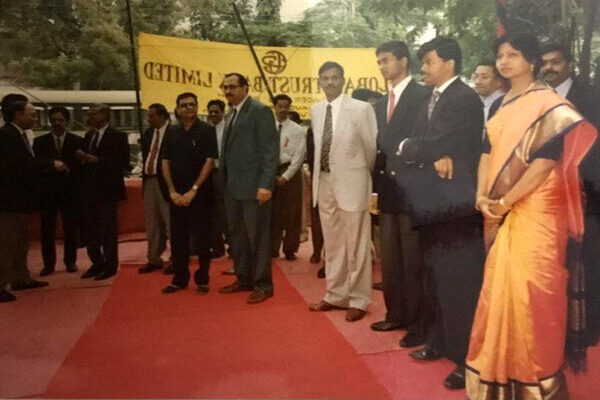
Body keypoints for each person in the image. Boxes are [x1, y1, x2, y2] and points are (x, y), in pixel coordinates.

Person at [466, 33, 597, 400]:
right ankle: (499, 376)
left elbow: (544, 164)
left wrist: (506, 200)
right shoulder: (496, 105)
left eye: (513, 55)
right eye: (500, 56)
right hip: (499, 206)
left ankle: (538, 383)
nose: (504, 61)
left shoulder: (550, 104)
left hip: (539, 207)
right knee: (497, 292)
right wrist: (481, 194)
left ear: (532, 61)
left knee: (535, 294)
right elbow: (486, 154)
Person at [395, 36, 485, 389]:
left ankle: (467, 361)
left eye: (429, 61)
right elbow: (423, 142)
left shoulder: (464, 98)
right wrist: (426, 150)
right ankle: (439, 342)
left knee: (460, 285)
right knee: (434, 279)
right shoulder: (431, 99)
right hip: (432, 206)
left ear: (449, 62)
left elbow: (431, 143)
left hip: (456, 210)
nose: (424, 68)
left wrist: (415, 149)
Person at [308, 61, 377, 322]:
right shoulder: (316, 111)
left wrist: (358, 173)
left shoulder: (361, 109)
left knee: (357, 243)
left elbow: (370, 148)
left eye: (335, 77)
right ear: (319, 82)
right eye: (325, 78)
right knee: (333, 242)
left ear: (343, 80)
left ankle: (359, 299)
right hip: (324, 181)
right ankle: (335, 294)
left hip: (353, 182)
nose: (330, 83)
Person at [369, 41, 430, 338]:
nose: (382, 66)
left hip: (415, 190)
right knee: (391, 260)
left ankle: (419, 324)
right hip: (389, 190)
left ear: (404, 61)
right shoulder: (381, 103)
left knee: (414, 261)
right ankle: (396, 314)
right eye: (378, 61)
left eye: (386, 60)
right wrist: (376, 192)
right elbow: (380, 153)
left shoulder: (424, 95)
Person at [541, 42, 600, 344]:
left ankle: (587, 326)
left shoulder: (589, 95)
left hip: (584, 189)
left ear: (570, 63)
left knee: (586, 257)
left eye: (556, 62)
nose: (550, 67)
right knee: (555, 258)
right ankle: (558, 322)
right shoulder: (539, 97)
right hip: (545, 190)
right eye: (546, 62)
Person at [0, 94, 68, 302]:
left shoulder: (19, 134)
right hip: (9, 200)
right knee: (7, 243)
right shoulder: (7, 136)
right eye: (32, 115)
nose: (35, 119)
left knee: (21, 242)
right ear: (17, 114)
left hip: (20, 200)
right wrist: (51, 164)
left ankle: (21, 277)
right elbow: (21, 164)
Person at [218, 73, 279, 304]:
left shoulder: (259, 111)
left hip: (255, 189)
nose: (228, 91)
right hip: (233, 189)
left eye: (233, 87)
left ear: (245, 87)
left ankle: (263, 285)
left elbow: (270, 152)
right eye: (225, 87)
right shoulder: (231, 113)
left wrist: (266, 185)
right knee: (238, 238)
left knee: (259, 239)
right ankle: (243, 279)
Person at [160, 92, 217, 294]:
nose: (188, 108)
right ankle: (179, 278)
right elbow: (165, 162)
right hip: (176, 195)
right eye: (184, 105)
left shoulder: (207, 130)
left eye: (192, 104)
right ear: (177, 109)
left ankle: (202, 278)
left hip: (199, 194)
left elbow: (209, 162)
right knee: (178, 238)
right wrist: (172, 191)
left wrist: (194, 190)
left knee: (202, 238)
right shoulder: (171, 132)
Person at [77, 104, 130, 281]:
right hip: (88, 190)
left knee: (108, 230)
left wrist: (97, 160)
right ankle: (96, 262)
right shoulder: (89, 135)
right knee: (90, 230)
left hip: (107, 191)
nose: (89, 117)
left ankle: (110, 265)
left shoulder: (118, 136)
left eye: (93, 114)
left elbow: (123, 163)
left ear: (104, 116)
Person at [33, 106, 83, 276]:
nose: (57, 123)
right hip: (48, 192)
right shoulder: (40, 142)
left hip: (71, 191)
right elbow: (37, 165)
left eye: (60, 120)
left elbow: (80, 166)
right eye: (53, 120)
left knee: (71, 228)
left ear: (66, 121)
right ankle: (48, 264)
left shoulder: (77, 141)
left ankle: (70, 261)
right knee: (47, 229)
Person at [138, 103, 174, 274]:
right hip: (149, 181)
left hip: (167, 182)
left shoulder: (175, 133)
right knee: (152, 222)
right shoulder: (148, 133)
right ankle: (154, 258)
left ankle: (176, 258)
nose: (148, 119)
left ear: (162, 116)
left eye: (151, 115)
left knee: (170, 222)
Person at [271, 94, 307, 261]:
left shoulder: (297, 130)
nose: (283, 109)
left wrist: (286, 176)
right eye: (280, 106)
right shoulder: (267, 127)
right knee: (272, 212)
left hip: (290, 171)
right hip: (270, 170)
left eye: (286, 106)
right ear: (274, 107)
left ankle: (290, 249)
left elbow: (299, 155)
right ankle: (272, 247)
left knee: (292, 212)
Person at [206, 99, 230, 261]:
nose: (213, 115)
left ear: (223, 112)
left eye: (216, 112)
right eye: (211, 112)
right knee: (211, 212)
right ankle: (217, 246)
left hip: (224, 173)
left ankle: (234, 246)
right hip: (208, 173)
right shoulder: (206, 131)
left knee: (227, 211)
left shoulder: (228, 129)